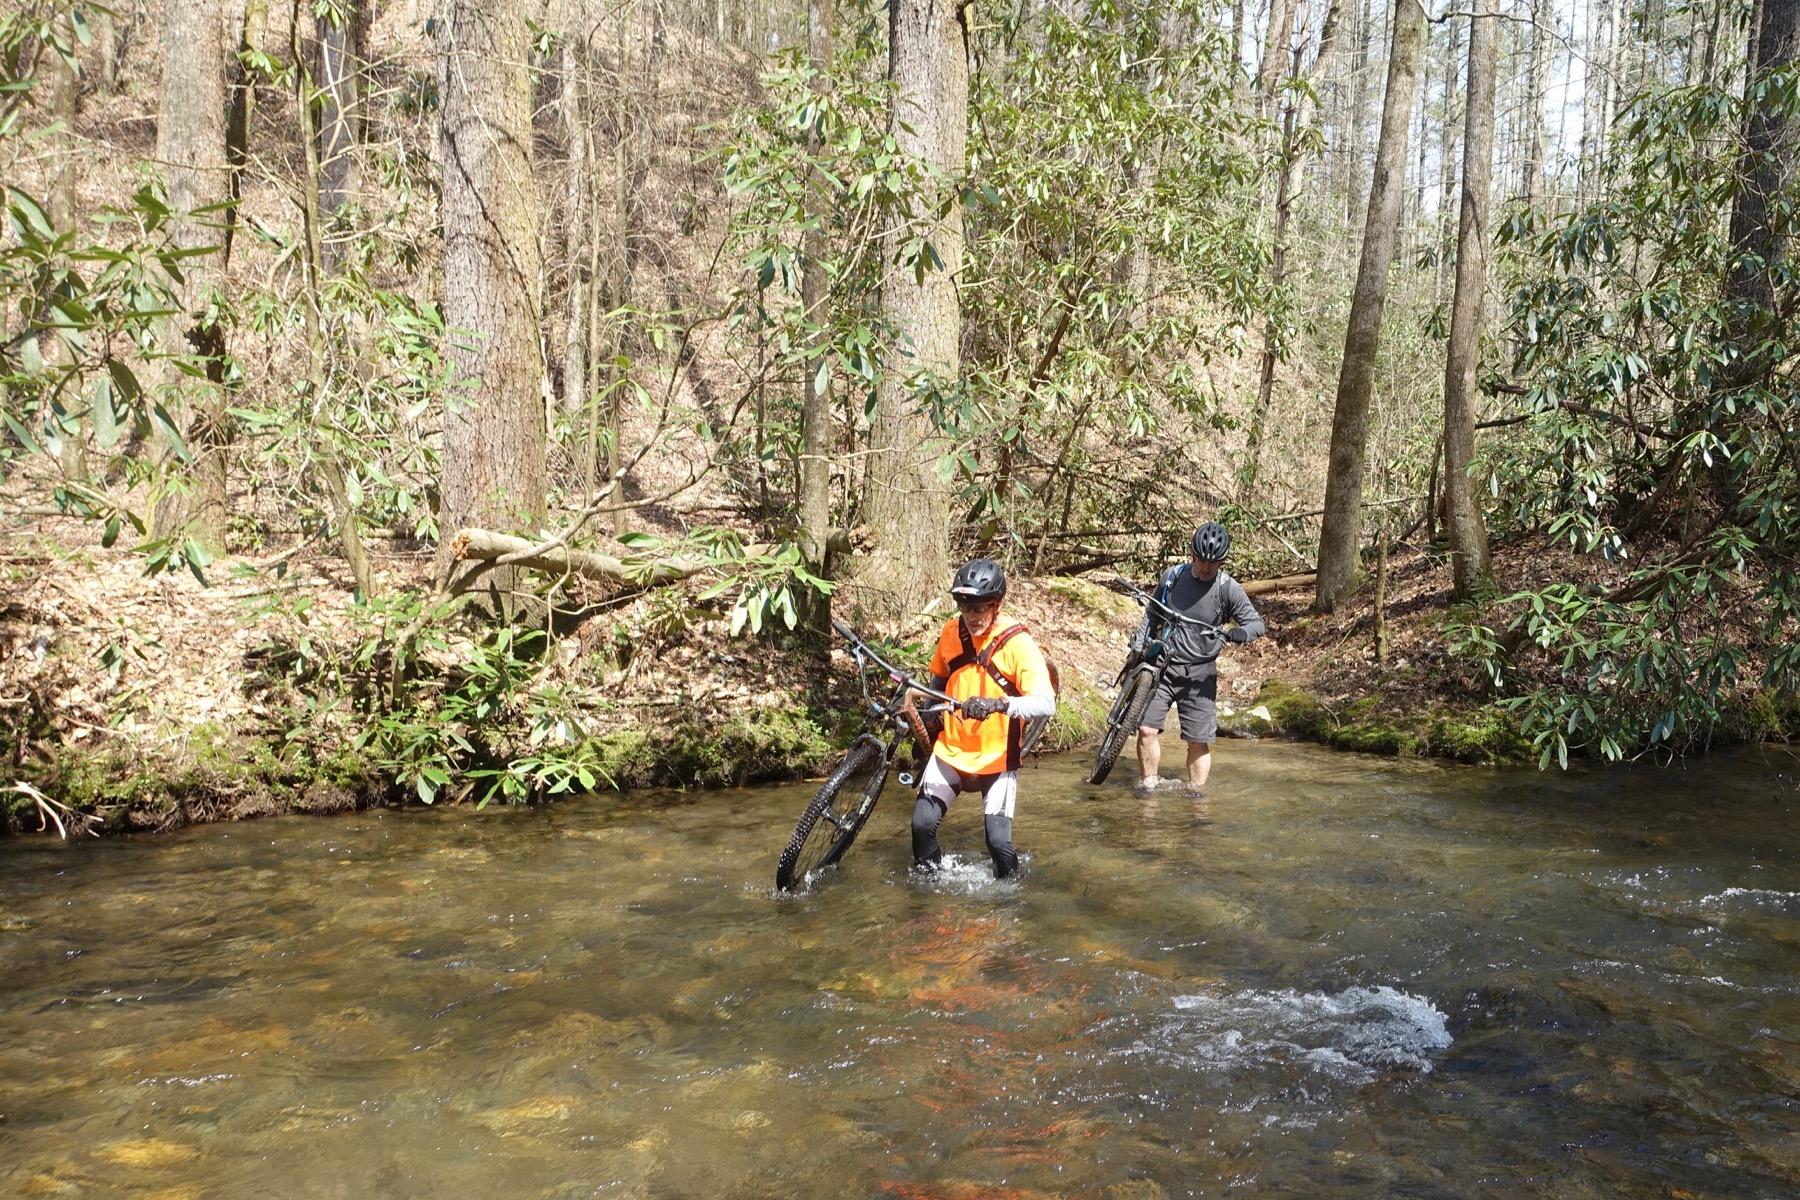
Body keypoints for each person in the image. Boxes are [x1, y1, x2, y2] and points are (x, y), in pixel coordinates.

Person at [911, 558, 1056, 879]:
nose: (973, 617)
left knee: (998, 844)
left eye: (981, 608)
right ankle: (930, 891)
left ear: (997, 605)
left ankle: (1006, 905)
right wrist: (926, 716)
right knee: (921, 825)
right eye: (965, 607)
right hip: (952, 750)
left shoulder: (1018, 642)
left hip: (997, 758)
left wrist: (998, 705)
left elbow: (1046, 704)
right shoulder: (951, 631)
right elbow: (937, 681)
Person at [1134, 521, 1265, 796]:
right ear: (1192, 553)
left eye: (1213, 563)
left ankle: (1196, 797)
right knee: (1146, 729)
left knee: (1197, 740)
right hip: (1163, 666)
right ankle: (1148, 787)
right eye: (1202, 560)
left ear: (1222, 562)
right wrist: (1139, 641)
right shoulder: (1172, 577)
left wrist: (1238, 632)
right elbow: (1152, 614)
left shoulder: (1228, 589)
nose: (1206, 567)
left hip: (1200, 674)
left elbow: (1256, 624)